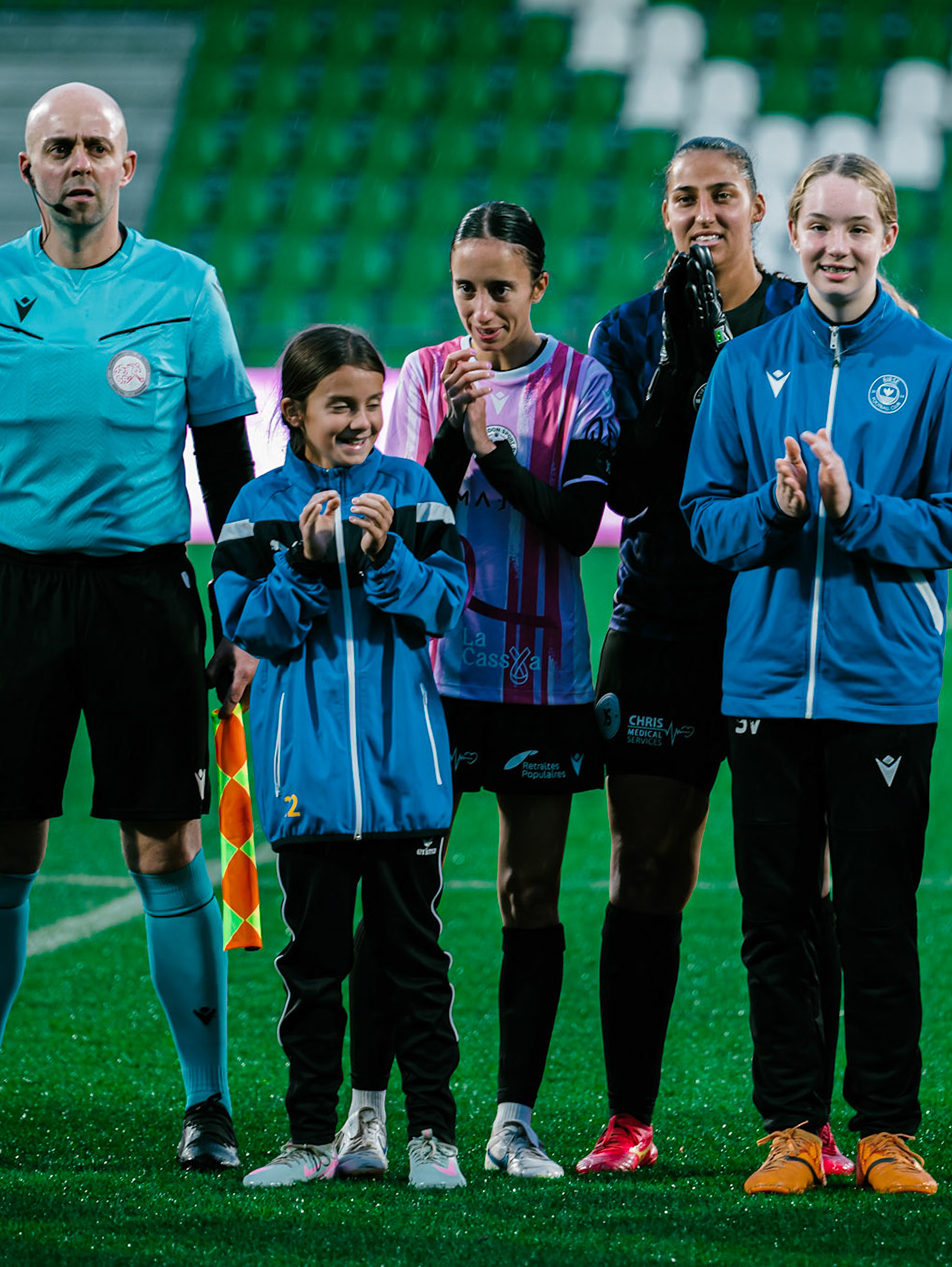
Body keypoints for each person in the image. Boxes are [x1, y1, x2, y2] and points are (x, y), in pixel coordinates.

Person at [0, 83, 257, 1171]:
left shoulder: (186, 288)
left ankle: (209, 1107)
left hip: (145, 595)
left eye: (98, 145)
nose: (80, 163)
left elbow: (229, 465)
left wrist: (238, 611)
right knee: (0, 843)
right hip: (15, 594)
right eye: (60, 147)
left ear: (128, 166)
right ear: (28, 170)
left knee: (167, 845)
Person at [683, 153, 952, 1195]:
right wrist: (775, 509)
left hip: (884, 684)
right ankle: (793, 1129)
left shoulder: (940, 366)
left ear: (888, 235)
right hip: (764, 684)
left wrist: (853, 508)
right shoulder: (745, 366)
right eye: (818, 227)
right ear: (791, 233)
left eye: (857, 228)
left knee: (874, 912)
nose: (836, 246)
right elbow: (702, 521)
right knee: (774, 917)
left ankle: (889, 1129)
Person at [578, 137, 855, 1177]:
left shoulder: (801, 318)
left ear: (759, 211)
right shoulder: (629, 330)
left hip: (779, 624)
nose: (705, 213)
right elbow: (628, 490)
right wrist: (685, 361)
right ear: (666, 212)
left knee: (791, 880)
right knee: (646, 866)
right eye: (686, 197)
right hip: (659, 627)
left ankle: (806, 1118)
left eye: (723, 197)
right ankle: (628, 1120)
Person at [346, 201, 617, 1181]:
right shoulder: (419, 376)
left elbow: (578, 526)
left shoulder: (585, 383)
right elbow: (414, 518)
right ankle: (368, 1113)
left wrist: (491, 443)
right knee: (403, 888)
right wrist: (460, 432)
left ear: (538, 285)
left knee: (527, 893)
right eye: (466, 287)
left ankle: (513, 1119)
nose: (482, 307)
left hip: (544, 680)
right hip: (436, 675)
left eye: (500, 288)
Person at [213, 325, 470, 1190]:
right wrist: (308, 565)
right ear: (294, 411)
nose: (360, 421)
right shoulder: (257, 506)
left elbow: (445, 608)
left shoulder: (415, 492)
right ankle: (310, 1140)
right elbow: (249, 626)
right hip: (309, 788)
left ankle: (434, 1136)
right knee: (313, 970)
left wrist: (386, 554)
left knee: (416, 967)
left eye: (371, 404)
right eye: (339, 406)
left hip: (406, 783)